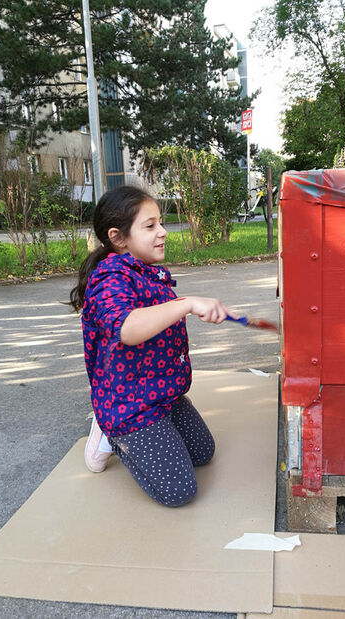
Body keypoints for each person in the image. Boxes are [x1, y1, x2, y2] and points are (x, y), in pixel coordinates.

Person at [69, 185, 235, 507]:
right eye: (150, 226)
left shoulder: (149, 272)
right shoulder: (107, 279)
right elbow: (126, 328)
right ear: (118, 238)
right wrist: (187, 304)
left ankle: (150, 430)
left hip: (161, 393)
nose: (163, 232)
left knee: (204, 452)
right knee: (179, 492)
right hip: (129, 406)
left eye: (161, 222)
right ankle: (109, 432)